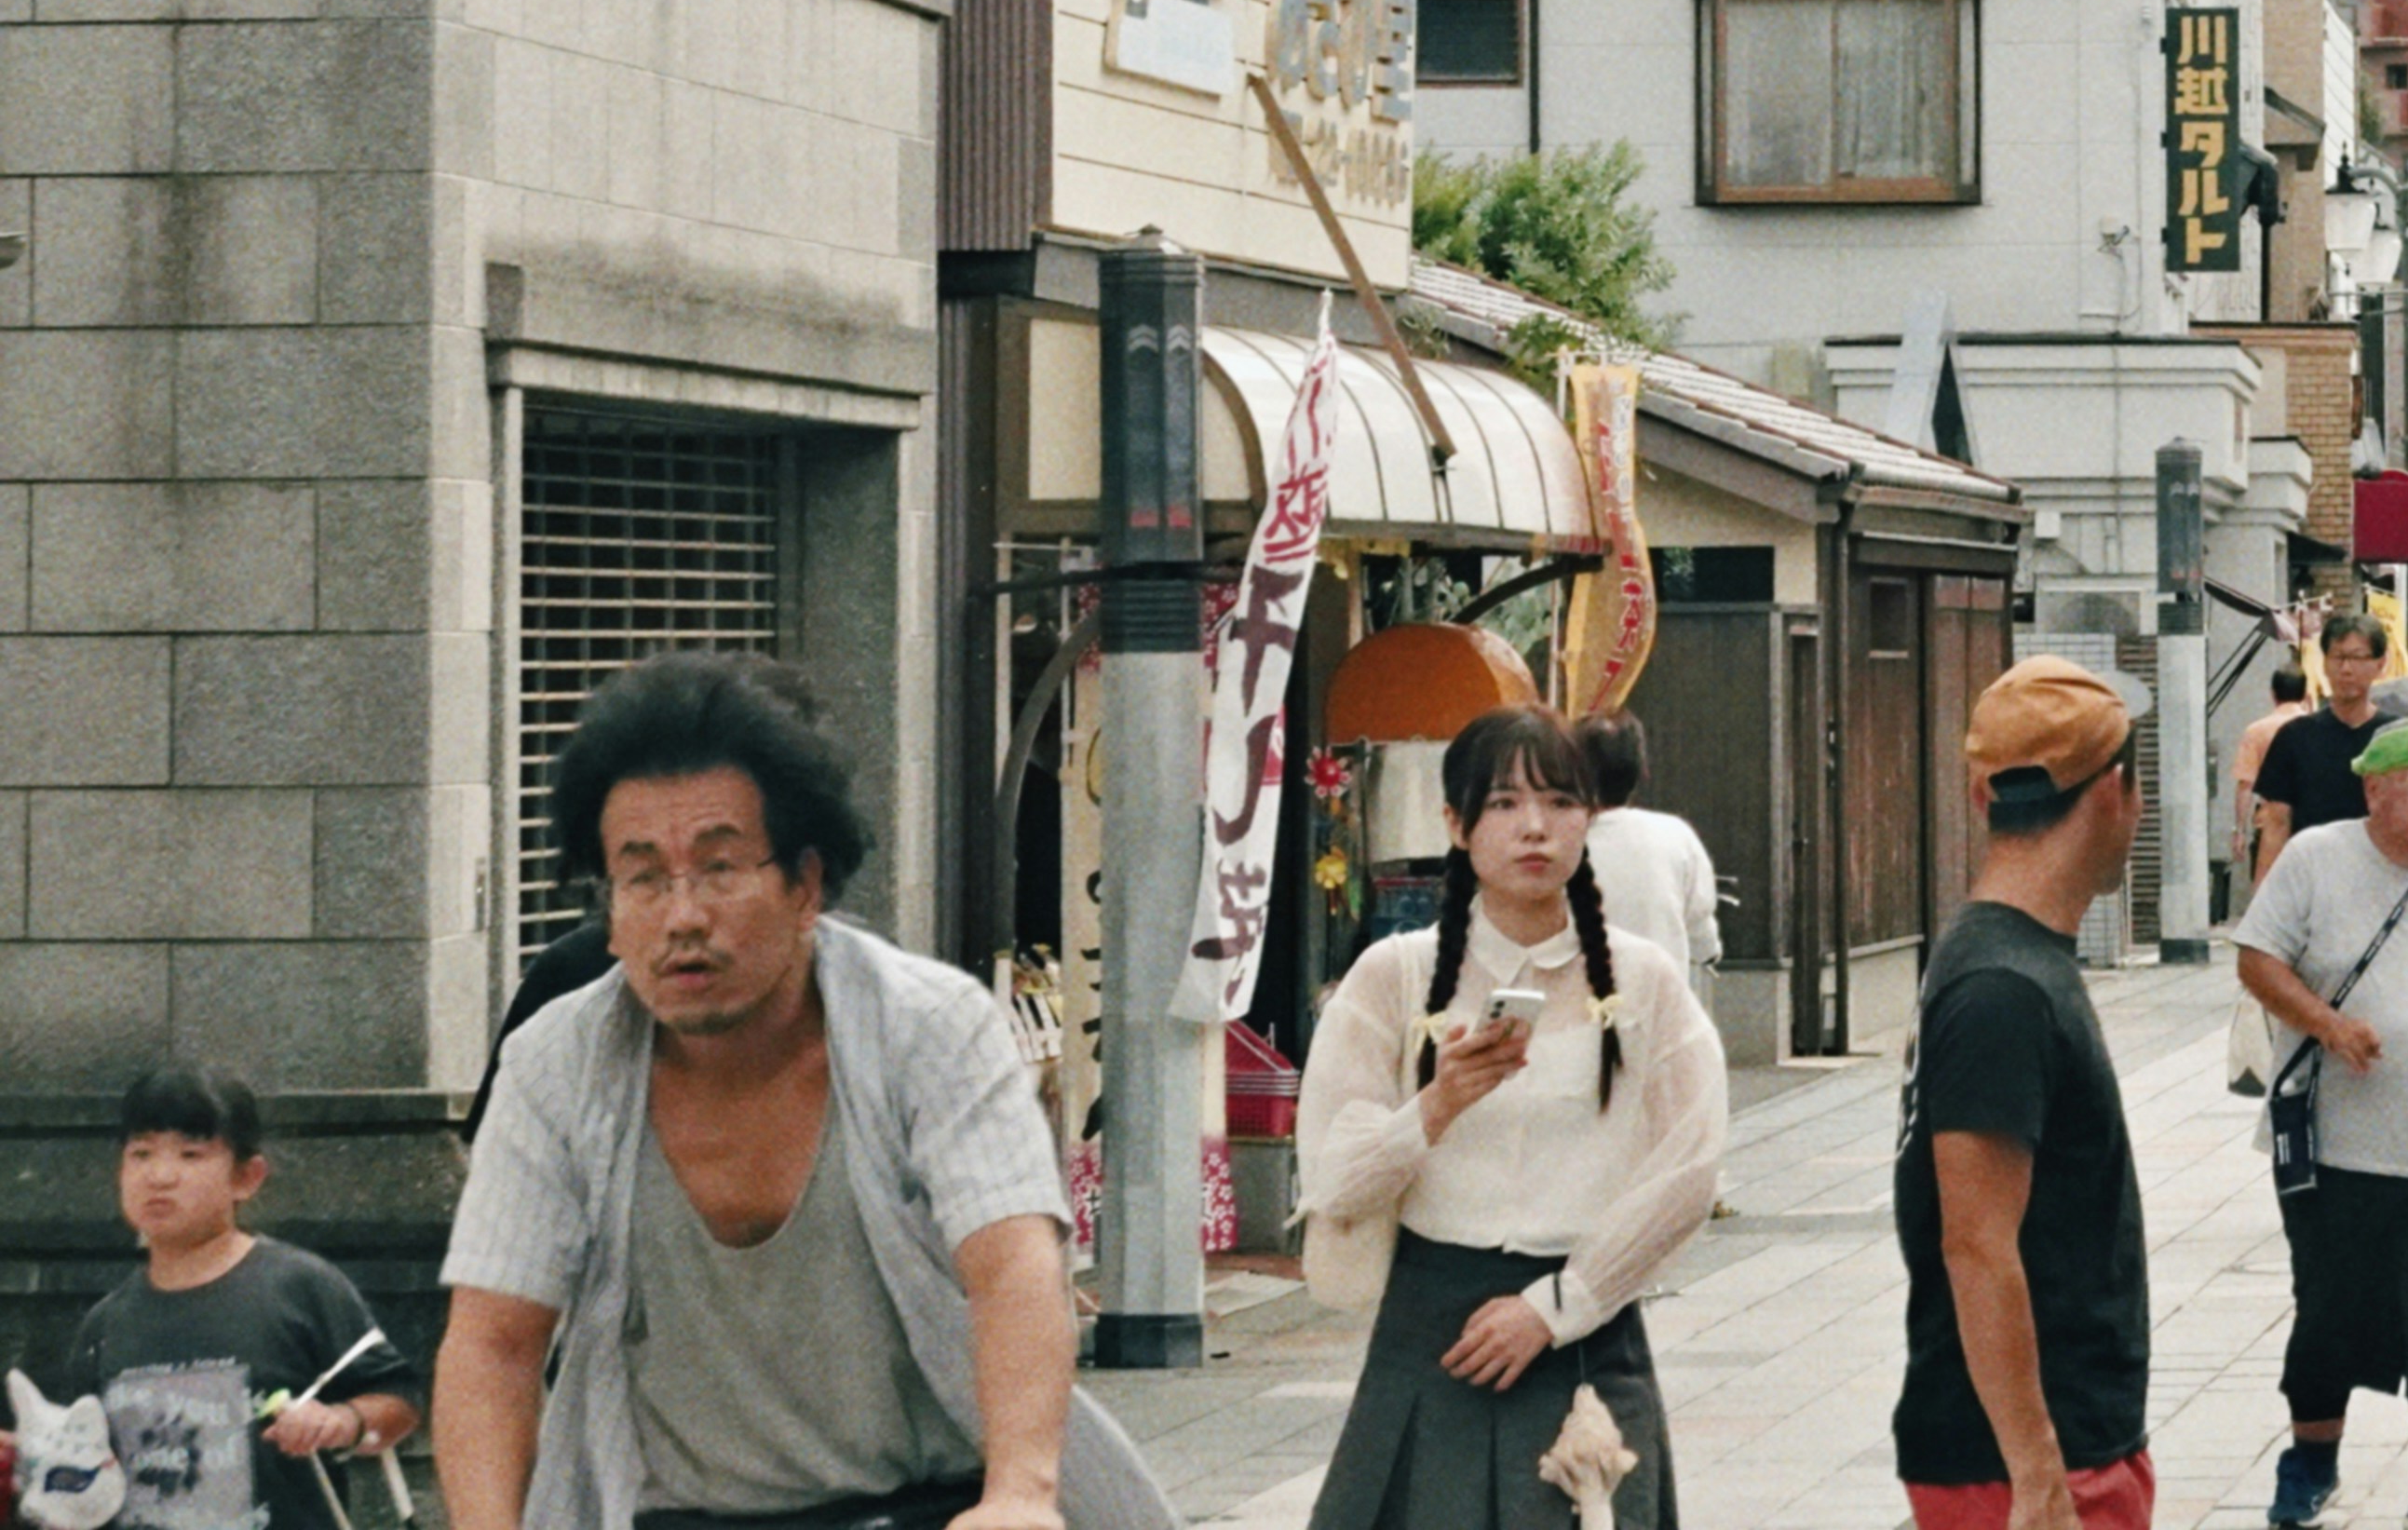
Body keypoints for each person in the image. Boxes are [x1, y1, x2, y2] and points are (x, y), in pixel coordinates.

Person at [437, 652, 1170, 1530]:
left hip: (929, 1503)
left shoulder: (928, 1028)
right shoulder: (557, 1066)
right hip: (682, 1511)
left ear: (806, 884)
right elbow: (493, 1345)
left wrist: (1021, 1491)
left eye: (719, 867)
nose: (683, 915)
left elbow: (1012, 1262)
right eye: (643, 878)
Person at [1295, 706, 1727, 1530]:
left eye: (1561, 802)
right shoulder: (1394, 974)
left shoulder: (1644, 982)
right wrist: (1437, 1104)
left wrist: (1556, 1306)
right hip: (1432, 1330)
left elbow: (1691, 1169)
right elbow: (1336, 1179)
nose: (1535, 827)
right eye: (1502, 805)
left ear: (1590, 819)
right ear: (1456, 824)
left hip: (1588, 1331)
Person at [1901, 661, 2161, 1530]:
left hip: (2052, 1444)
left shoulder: (2005, 958)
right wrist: (2037, 1467)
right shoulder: (2003, 988)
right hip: (2023, 1468)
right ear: (2117, 792)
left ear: (1982, 795)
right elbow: (1975, 1243)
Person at [2242, 714, 2408, 1530]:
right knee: (2327, 1313)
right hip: (2331, 1147)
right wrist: (2329, 1025)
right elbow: (2256, 958)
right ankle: (2309, 1464)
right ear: (2374, 788)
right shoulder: (2317, 857)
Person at [54, 1063, 420, 1526]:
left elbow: (400, 1402)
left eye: (191, 1155)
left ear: (247, 1177)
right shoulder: (105, 1324)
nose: (160, 1176)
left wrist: (341, 1422)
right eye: (141, 1154)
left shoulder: (299, 1287)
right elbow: (82, 1470)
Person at [1568, 710, 1723, 975]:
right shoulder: (1675, 835)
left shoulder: (1558, 842)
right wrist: (1710, 953)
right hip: (1658, 1004)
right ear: (1641, 770)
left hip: (1577, 1002)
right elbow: (1700, 928)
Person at [2257, 616, 2401, 884]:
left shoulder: (2396, 737)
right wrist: (2262, 898)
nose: (2346, 669)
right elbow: (2276, 823)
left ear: (2380, 664)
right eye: (2338, 657)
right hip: (2311, 880)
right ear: (2324, 663)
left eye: (2357, 658)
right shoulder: (2294, 736)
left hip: (2381, 879)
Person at [2238, 666, 2312, 897]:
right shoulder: (2317, 730)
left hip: (2268, 823)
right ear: (2304, 693)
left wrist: (2239, 830)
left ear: (2273, 694)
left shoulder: (2256, 731)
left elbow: (2245, 785)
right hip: (2310, 824)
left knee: (2269, 897)